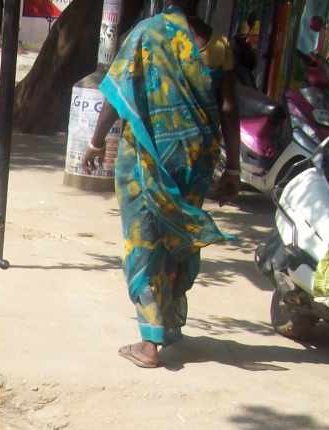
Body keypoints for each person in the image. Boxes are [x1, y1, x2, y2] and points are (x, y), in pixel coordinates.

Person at [83, 0, 241, 369]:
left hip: (148, 157)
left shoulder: (146, 33)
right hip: (195, 160)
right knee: (177, 238)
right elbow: (230, 108)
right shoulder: (217, 45)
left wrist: (95, 141)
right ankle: (168, 323)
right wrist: (232, 170)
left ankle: (150, 342)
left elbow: (117, 94)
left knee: (145, 241)